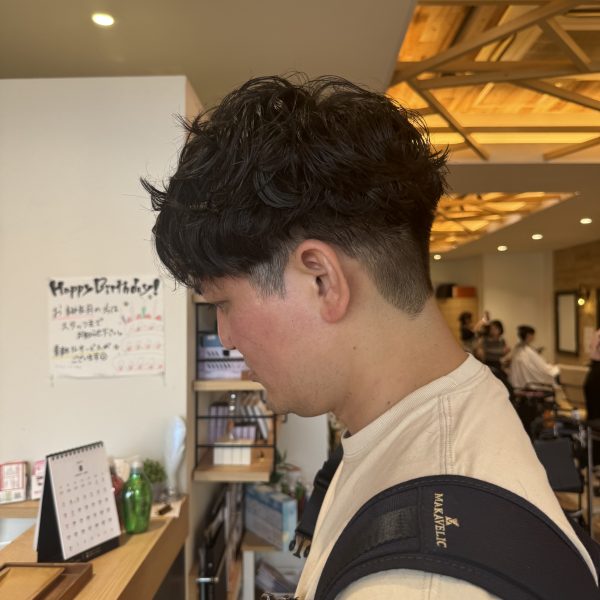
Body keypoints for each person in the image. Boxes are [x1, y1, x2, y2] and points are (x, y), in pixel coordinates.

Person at [143, 76, 596, 598]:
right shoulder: (448, 413)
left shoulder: (418, 587)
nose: (225, 338)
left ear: (321, 280)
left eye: (224, 303)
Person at [509, 325, 560, 389]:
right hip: (531, 384)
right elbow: (543, 368)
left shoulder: (518, 349)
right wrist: (554, 368)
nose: (534, 337)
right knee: (557, 371)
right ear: (529, 336)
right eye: (533, 335)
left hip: (518, 384)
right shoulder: (528, 351)